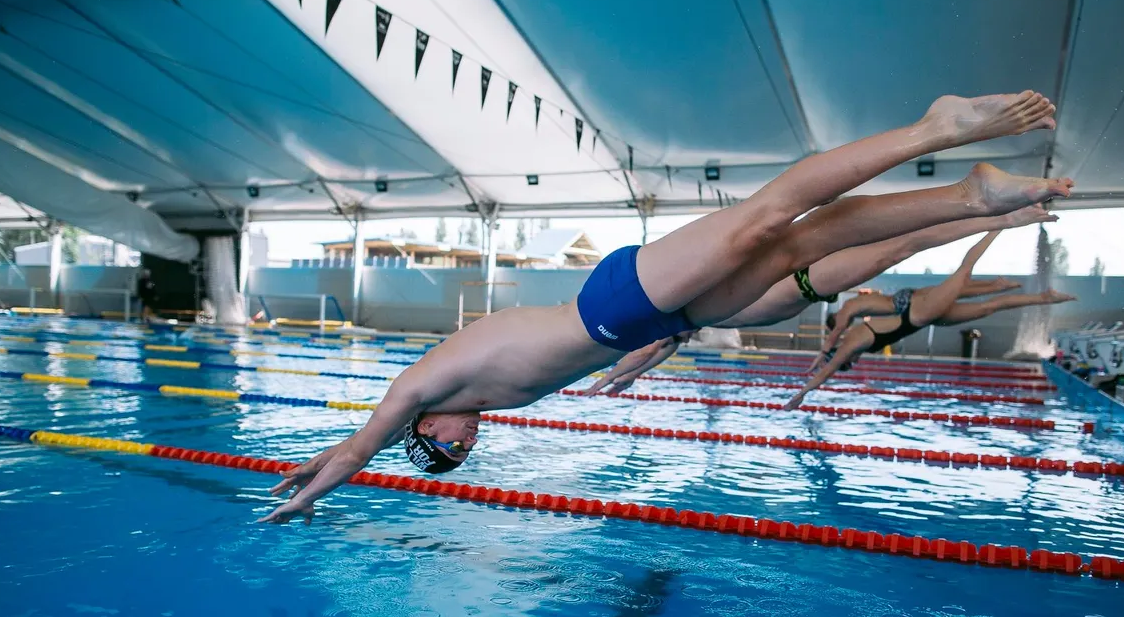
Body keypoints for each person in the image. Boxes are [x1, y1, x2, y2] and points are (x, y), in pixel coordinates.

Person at [260, 90, 1066, 524]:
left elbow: (356, 449)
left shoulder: (416, 390)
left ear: (424, 428)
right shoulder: (481, 400)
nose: (463, 446)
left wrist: (309, 490)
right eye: (460, 457)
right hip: (647, 321)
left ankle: (935, 127)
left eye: (445, 449)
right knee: (801, 247)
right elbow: (567, 361)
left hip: (610, 301)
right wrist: (652, 350)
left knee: (766, 216)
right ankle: (970, 197)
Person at [582, 204, 1056, 396]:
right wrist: (615, 379)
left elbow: (644, 353)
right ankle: (994, 216)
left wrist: (611, 378)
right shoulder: (679, 323)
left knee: (900, 245)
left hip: (809, 281)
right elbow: (647, 354)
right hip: (809, 282)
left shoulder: (678, 317)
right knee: (897, 245)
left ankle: (997, 216)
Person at [783, 230, 1076, 408]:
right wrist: (822, 355)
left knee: (963, 273)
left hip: (918, 312)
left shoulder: (850, 342)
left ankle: (997, 226)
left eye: (848, 364)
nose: (853, 364)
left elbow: (828, 369)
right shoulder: (853, 338)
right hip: (919, 314)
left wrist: (803, 392)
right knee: (986, 307)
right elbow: (830, 356)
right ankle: (1043, 297)